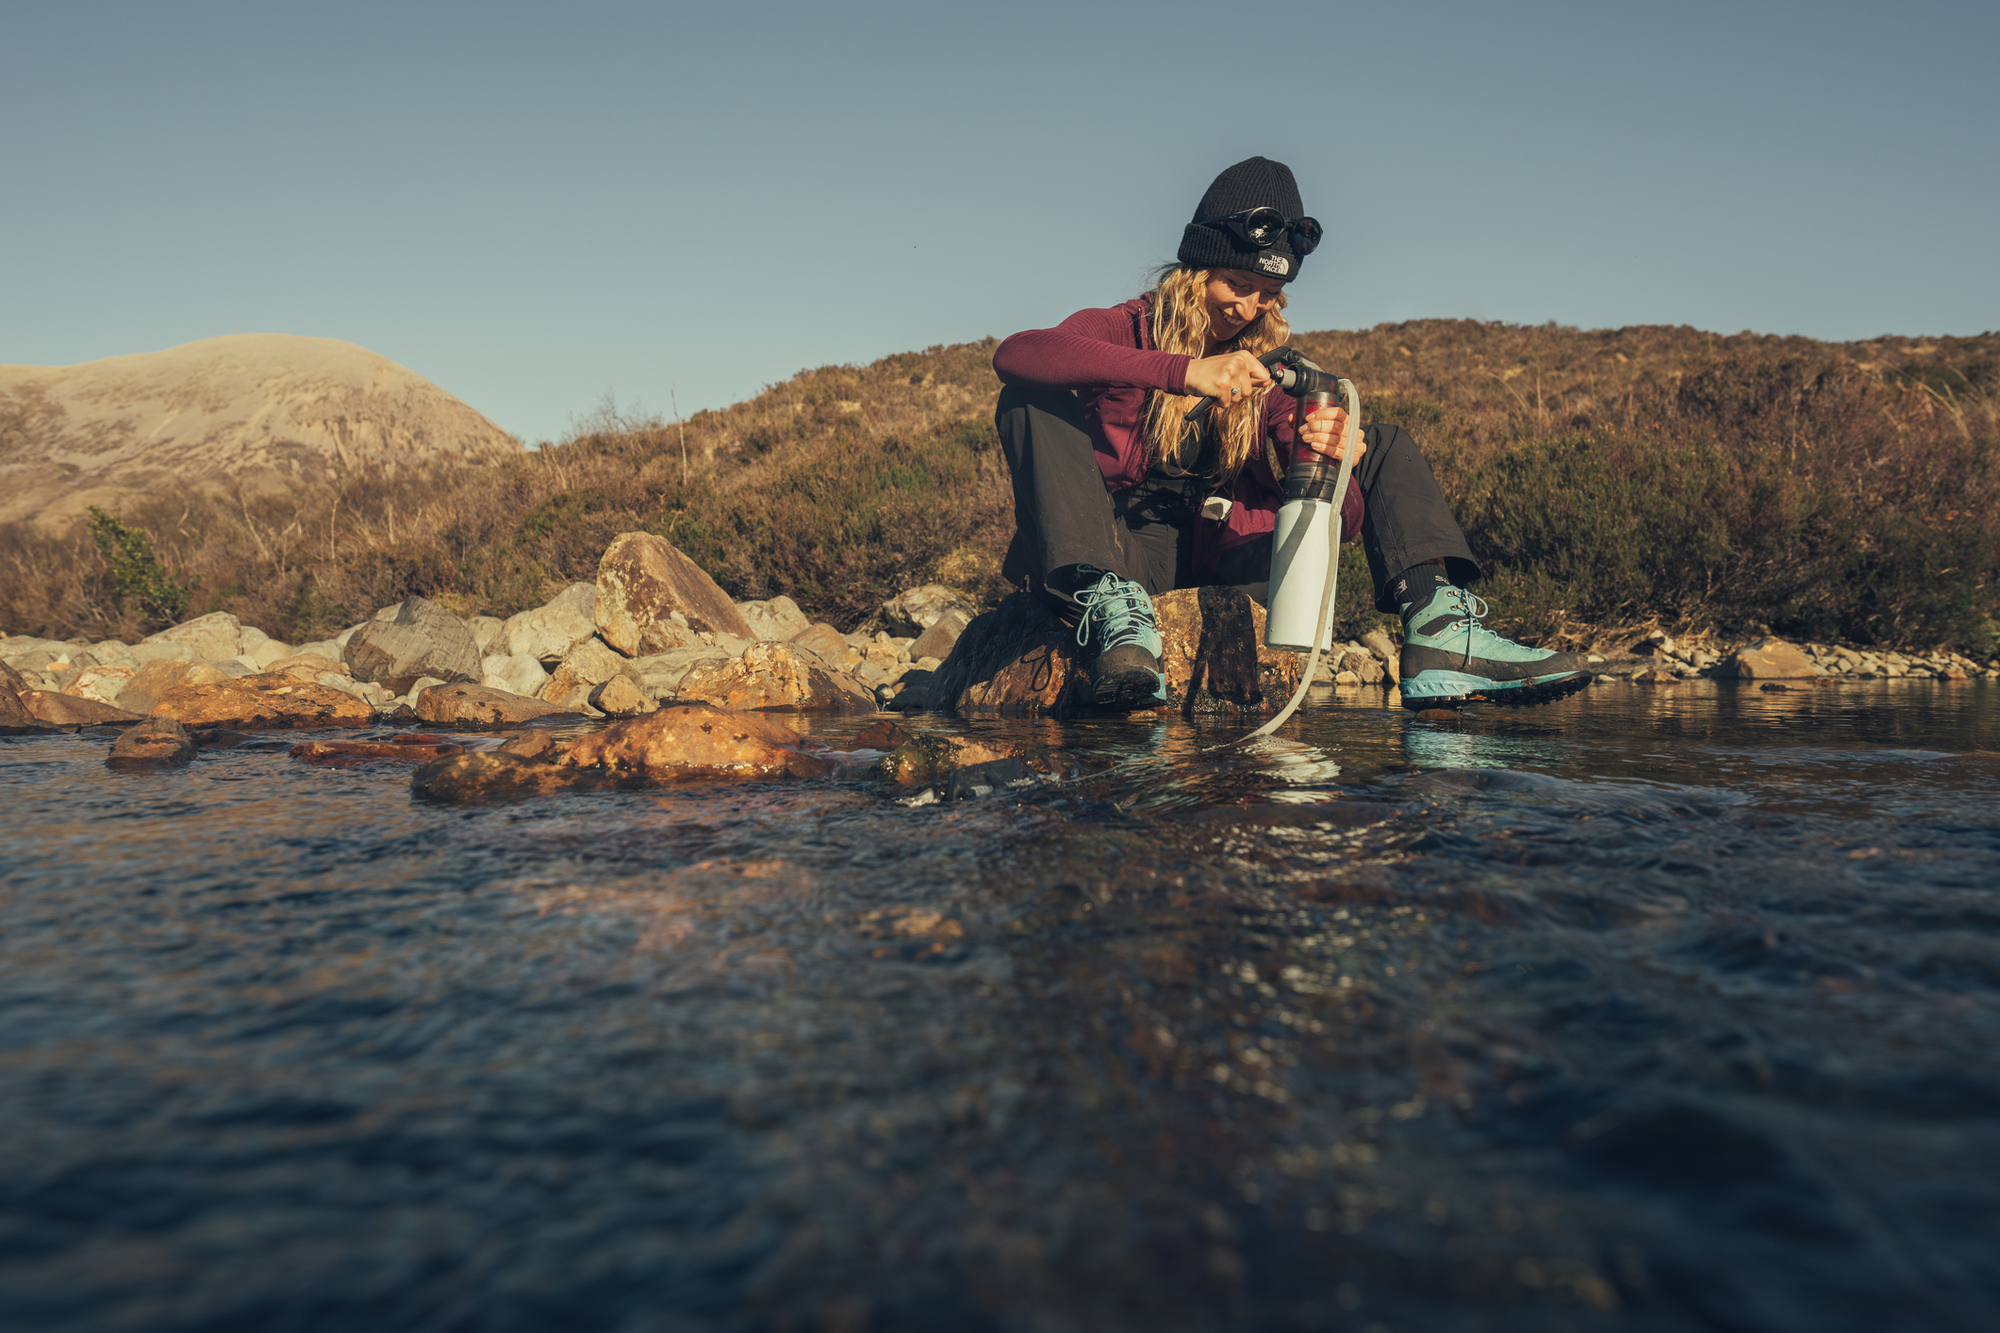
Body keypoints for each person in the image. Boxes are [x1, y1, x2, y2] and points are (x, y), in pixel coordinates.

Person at [992, 155, 1590, 712]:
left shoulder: (1271, 372)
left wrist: (1331, 461)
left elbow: (1347, 523)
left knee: (1381, 442)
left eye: (1269, 294)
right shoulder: (1125, 328)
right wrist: (1183, 371)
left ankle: (1439, 634)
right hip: (1123, 554)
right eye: (1236, 284)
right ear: (1196, 268)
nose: (1249, 308)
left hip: (1229, 565)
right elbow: (1019, 355)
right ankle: (1115, 617)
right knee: (1028, 398)